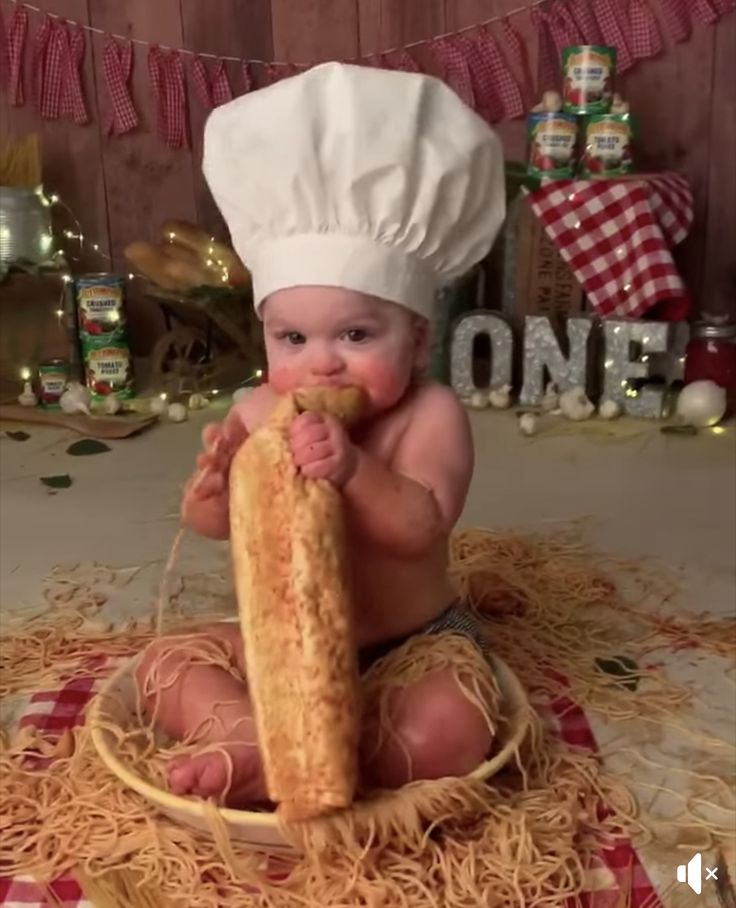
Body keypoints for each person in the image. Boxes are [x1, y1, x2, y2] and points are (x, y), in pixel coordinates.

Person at [136, 61, 506, 807]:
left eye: (358, 334)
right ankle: (256, 736)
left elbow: (420, 525)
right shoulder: (256, 411)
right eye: (293, 338)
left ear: (417, 335)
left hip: (409, 645)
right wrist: (214, 492)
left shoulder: (428, 414)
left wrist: (352, 470)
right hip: (286, 654)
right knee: (162, 666)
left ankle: (332, 752)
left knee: (453, 727)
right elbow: (213, 527)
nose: (321, 363)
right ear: (266, 335)